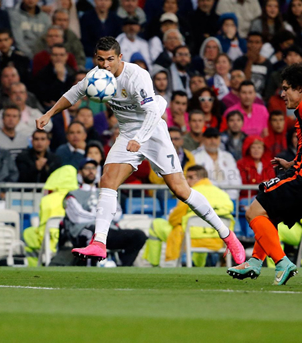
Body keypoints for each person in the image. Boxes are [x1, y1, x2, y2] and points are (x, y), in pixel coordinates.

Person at [36, 36, 245, 264]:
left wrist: (140, 138)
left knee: (181, 190)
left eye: (110, 59)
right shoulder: (95, 77)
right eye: (101, 59)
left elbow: (154, 113)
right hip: (127, 133)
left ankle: (228, 236)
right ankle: (99, 243)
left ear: (120, 58)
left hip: (152, 131)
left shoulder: (137, 76)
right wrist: (49, 114)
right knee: (107, 181)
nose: (105, 64)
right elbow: (73, 93)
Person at [227, 63, 302, 286]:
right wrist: (293, 162)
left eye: (287, 88)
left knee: (253, 212)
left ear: (300, 88)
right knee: (270, 216)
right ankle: (256, 261)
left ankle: (282, 262)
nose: (282, 93)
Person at [144, 165, 235, 267]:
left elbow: (174, 219)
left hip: (190, 239)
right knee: (201, 228)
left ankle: (154, 265)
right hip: (218, 240)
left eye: (190, 177)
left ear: (201, 177)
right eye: (186, 177)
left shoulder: (190, 194)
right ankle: (199, 267)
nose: (187, 181)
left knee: (156, 224)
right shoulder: (223, 195)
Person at [63, 158, 147, 266]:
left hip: (109, 231)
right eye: (87, 168)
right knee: (92, 233)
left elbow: (117, 213)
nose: (91, 171)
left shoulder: (106, 192)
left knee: (139, 235)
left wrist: (99, 217)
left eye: (93, 168)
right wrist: (102, 216)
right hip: (83, 230)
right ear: (80, 172)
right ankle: (90, 270)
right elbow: (78, 217)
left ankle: (122, 266)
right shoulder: (73, 194)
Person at [192, 127, 242, 201]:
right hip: (206, 198)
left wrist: (230, 198)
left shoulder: (228, 156)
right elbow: (197, 181)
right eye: (209, 138)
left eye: (215, 137)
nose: (213, 141)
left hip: (228, 198)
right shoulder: (195, 157)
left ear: (219, 139)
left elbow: (235, 179)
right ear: (203, 139)